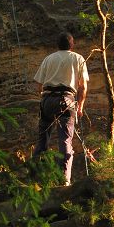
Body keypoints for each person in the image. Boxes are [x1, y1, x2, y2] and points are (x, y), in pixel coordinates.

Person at [33, 32, 89, 185]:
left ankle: (35, 178)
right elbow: (83, 86)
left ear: (57, 45)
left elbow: (39, 85)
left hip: (47, 99)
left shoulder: (48, 58)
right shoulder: (78, 58)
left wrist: (44, 99)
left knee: (42, 139)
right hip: (66, 99)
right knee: (65, 141)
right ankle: (64, 181)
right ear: (72, 45)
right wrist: (80, 106)